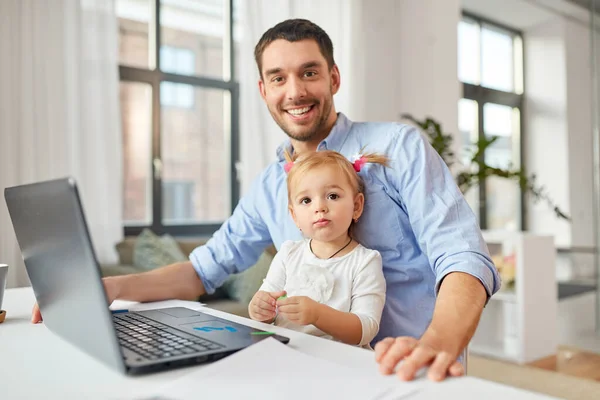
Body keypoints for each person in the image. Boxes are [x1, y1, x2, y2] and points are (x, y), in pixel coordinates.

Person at [32, 18, 500, 382]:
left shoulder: (398, 148)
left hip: (408, 369)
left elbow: (461, 255)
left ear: (333, 78)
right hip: (311, 371)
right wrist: (112, 288)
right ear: (263, 90)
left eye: (309, 73)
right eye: (277, 78)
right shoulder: (268, 187)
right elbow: (203, 269)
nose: (294, 91)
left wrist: (439, 339)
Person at [249, 150, 387, 347]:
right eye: (306, 200)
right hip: (289, 356)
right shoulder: (289, 254)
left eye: (332, 195)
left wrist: (317, 314)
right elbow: (265, 311)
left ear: (356, 206)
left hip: (340, 363)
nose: (320, 207)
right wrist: (259, 309)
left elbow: (366, 329)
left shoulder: (365, 261)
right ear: (294, 215)